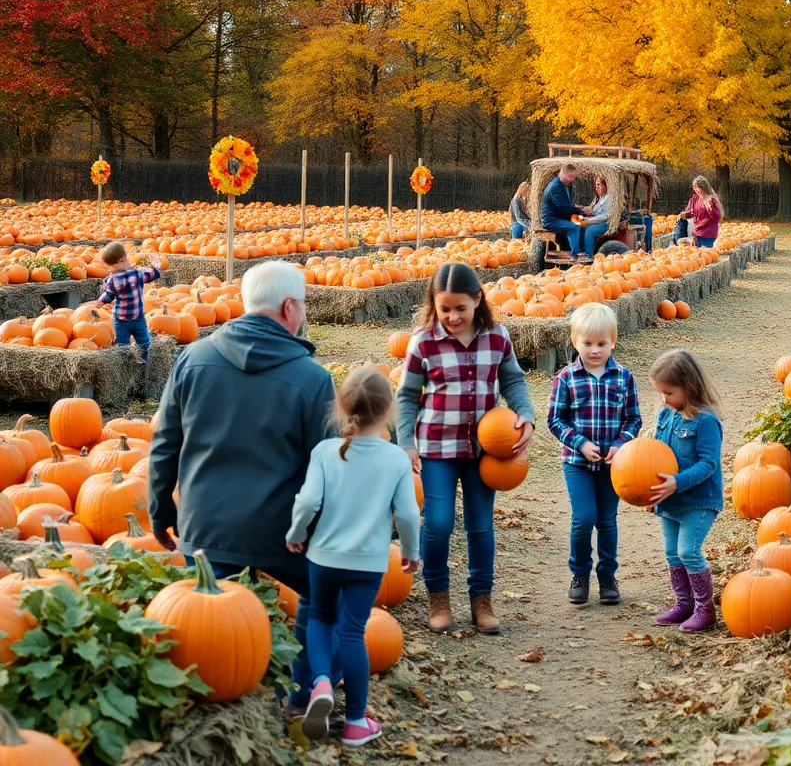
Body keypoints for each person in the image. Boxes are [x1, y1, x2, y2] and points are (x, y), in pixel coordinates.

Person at [147, 260, 337, 720]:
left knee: (206, 611)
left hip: (204, 527)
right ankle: (301, 691)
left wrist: (160, 510)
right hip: (281, 534)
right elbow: (328, 469)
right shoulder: (312, 379)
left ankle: (213, 698)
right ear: (290, 307)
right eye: (304, 304)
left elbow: (164, 443)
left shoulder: (191, 359)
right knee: (323, 594)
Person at [396, 262, 536, 635]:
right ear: (434, 305)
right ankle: (438, 596)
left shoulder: (497, 336)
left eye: (461, 308)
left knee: (480, 524)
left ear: (477, 300)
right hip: (436, 448)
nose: (453, 316)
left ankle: (481, 599)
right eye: (445, 309)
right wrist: (406, 444)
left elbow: (514, 382)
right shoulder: (423, 341)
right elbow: (407, 396)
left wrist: (526, 414)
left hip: (484, 451)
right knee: (439, 523)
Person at [286, 368, 421, 747]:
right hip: (368, 564)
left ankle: (321, 683)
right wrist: (411, 552)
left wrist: (295, 535)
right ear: (389, 412)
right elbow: (409, 514)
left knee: (318, 617)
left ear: (341, 410)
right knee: (351, 632)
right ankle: (356, 722)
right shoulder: (395, 458)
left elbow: (309, 501)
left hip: (324, 558)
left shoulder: (325, 451)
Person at [547, 304, 642, 606]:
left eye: (601, 343)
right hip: (577, 462)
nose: (595, 350)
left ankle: (607, 576)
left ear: (613, 341)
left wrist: (620, 444)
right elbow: (555, 420)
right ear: (575, 342)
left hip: (614, 464)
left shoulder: (624, 377)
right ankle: (580, 573)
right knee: (584, 517)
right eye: (587, 343)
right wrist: (580, 444)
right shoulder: (566, 378)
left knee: (607, 520)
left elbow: (633, 419)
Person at [649, 350, 724, 633]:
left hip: (698, 500)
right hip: (670, 499)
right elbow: (657, 453)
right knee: (671, 552)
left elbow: (708, 464)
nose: (663, 399)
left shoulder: (705, 421)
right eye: (659, 393)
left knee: (688, 551)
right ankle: (684, 604)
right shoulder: (666, 414)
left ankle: (705, 610)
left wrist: (677, 482)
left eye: (668, 392)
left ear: (688, 387)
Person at [96, 241, 162, 363]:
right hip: (137, 317)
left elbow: (108, 296)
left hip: (120, 319)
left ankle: (126, 363)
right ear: (124, 258)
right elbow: (154, 275)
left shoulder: (112, 279)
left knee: (123, 346)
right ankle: (142, 361)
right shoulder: (138, 274)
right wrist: (156, 266)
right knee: (144, 341)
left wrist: (100, 301)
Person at [540, 163, 588, 259]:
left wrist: (581, 211)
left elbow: (566, 205)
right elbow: (562, 206)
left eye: (574, 176)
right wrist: (581, 211)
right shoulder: (556, 187)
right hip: (551, 220)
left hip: (559, 217)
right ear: (563, 173)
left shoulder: (560, 184)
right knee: (574, 227)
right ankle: (575, 254)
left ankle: (583, 250)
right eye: (571, 176)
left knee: (583, 222)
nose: (573, 179)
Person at [674, 176, 723, 247]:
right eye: (694, 188)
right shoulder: (695, 199)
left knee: (705, 254)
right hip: (697, 234)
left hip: (708, 234)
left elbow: (717, 218)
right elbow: (692, 212)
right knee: (698, 255)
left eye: (697, 188)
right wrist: (684, 215)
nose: (695, 190)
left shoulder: (711, 199)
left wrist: (710, 208)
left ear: (703, 187)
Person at [577, 175, 611, 257]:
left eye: (599, 185)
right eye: (596, 185)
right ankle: (580, 251)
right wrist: (588, 212)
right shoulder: (598, 198)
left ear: (605, 185)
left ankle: (588, 255)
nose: (597, 187)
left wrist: (589, 220)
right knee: (579, 225)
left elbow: (605, 216)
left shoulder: (609, 198)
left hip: (605, 224)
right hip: (596, 221)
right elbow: (595, 211)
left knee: (590, 230)